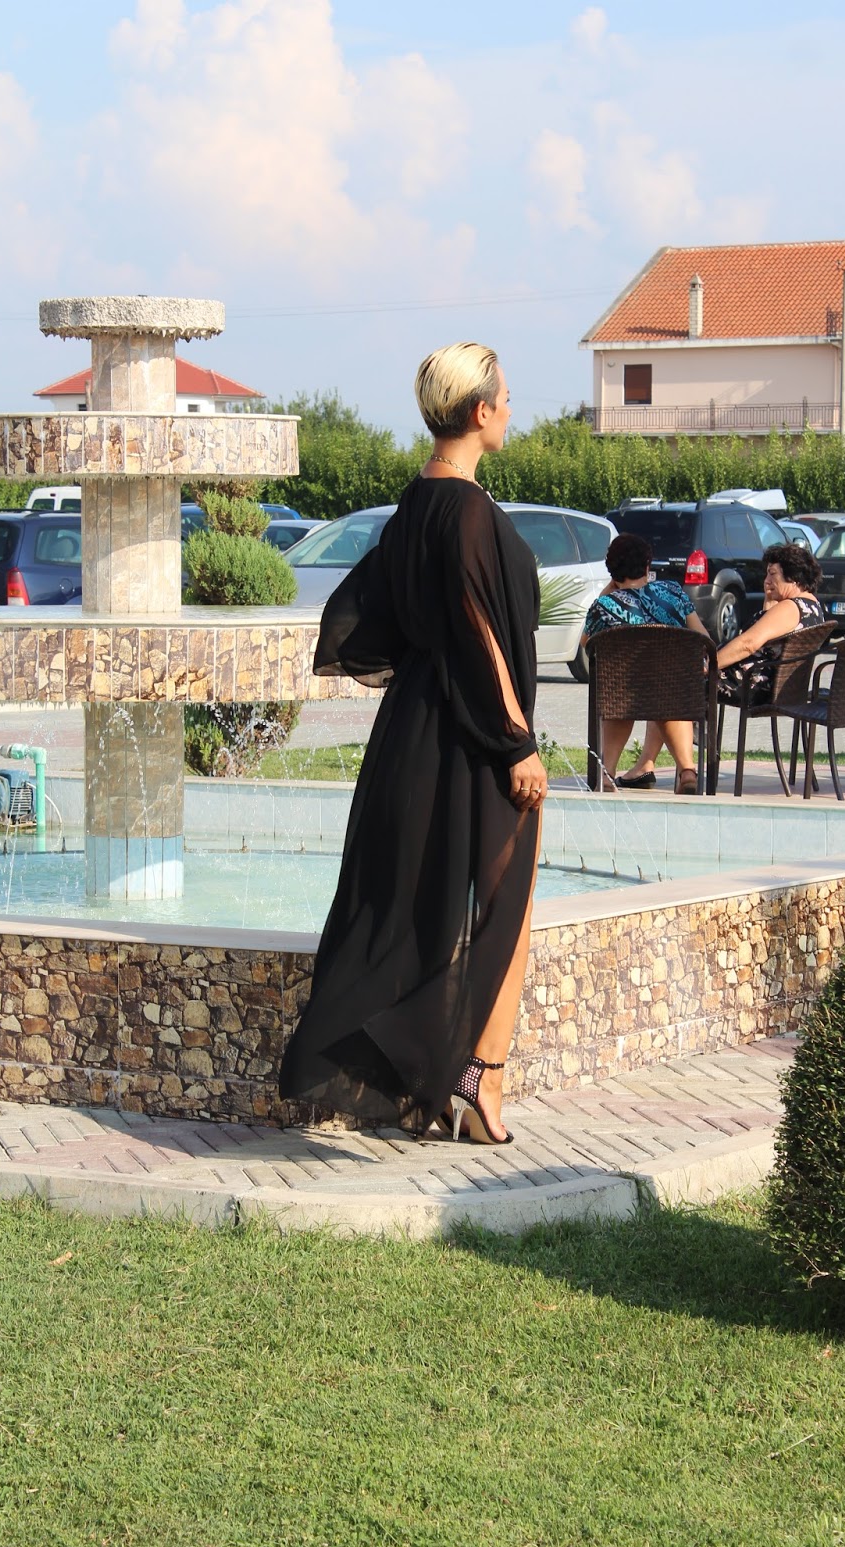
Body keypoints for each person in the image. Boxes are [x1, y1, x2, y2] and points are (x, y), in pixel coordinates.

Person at [279, 343, 547, 1145]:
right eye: (506, 397)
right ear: (480, 410)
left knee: (415, 905)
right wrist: (517, 743)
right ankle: (480, 1080)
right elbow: (480, 635)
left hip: (415, 726)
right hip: (473, 732)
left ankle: (437, 1073)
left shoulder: (416, 500)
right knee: (505, 903)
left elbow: (377, 613)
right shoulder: (465, 510)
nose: (511, 408)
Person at [581, 532, 711, 794]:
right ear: (647, 565)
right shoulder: (672, 592)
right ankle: (687, 769)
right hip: (672, 688)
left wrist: (609, 590)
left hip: (623, 690)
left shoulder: (604, 606)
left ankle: (606, 773)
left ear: (612, 571)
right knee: (665, 696)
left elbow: (586, 643)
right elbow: (703, 638)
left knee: (619, 700)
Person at [715, 542, 824, 703]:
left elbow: (748, 644)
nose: (766, 581)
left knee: (684, 678)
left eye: (772, 574)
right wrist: (770, 599)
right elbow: (769, 643)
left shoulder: (790, 607)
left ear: (794, 577)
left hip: (754, 684)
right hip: (778, 686)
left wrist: (710, 664)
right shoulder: (811, 607)